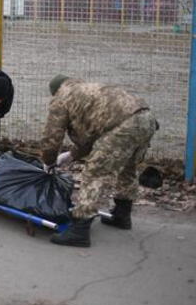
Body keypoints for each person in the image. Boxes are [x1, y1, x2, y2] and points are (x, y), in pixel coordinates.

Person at [41, 75, 157, 247]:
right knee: (127, 167)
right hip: (147, 118)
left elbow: (52, 137)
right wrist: (71, 155)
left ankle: (79, 230)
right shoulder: (87, 91)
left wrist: (49, 160)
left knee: (94, 173)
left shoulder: (62, 98)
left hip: (124, 125)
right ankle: (122, 215)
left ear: (55, 91)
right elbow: (93, 136)